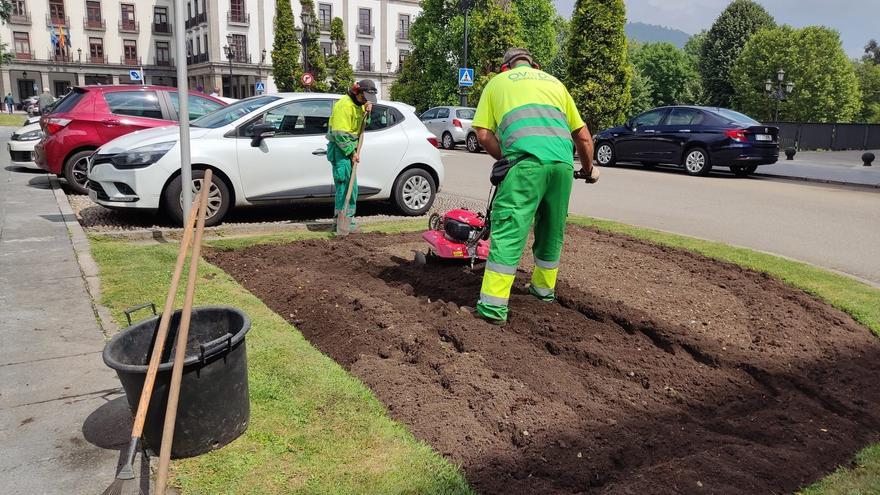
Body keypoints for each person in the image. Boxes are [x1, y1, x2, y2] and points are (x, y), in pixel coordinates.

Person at [472, 48, 599, 325]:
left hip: (525, 165)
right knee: (552, 230)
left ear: (505, 68)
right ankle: (542, 292)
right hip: (563, 167)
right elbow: (584, 138)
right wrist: (588, 170)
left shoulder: (496, 83)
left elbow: (483, 135)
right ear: (536, 66)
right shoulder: (556, 84)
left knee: (509, 229)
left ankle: (492, 308)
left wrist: (506, 157)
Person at [325, 79, 377, 233]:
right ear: (357, 92)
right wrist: (352, 152)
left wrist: (367, 112)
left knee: (352, 187)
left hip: (350, 149)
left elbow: (361, 126)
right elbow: (340, 134)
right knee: (344, 187)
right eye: (365, 97)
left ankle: (348, 220)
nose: (366, 100)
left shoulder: (359, 105)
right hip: (341, 150)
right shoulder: (344, 105)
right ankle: (340, 223)